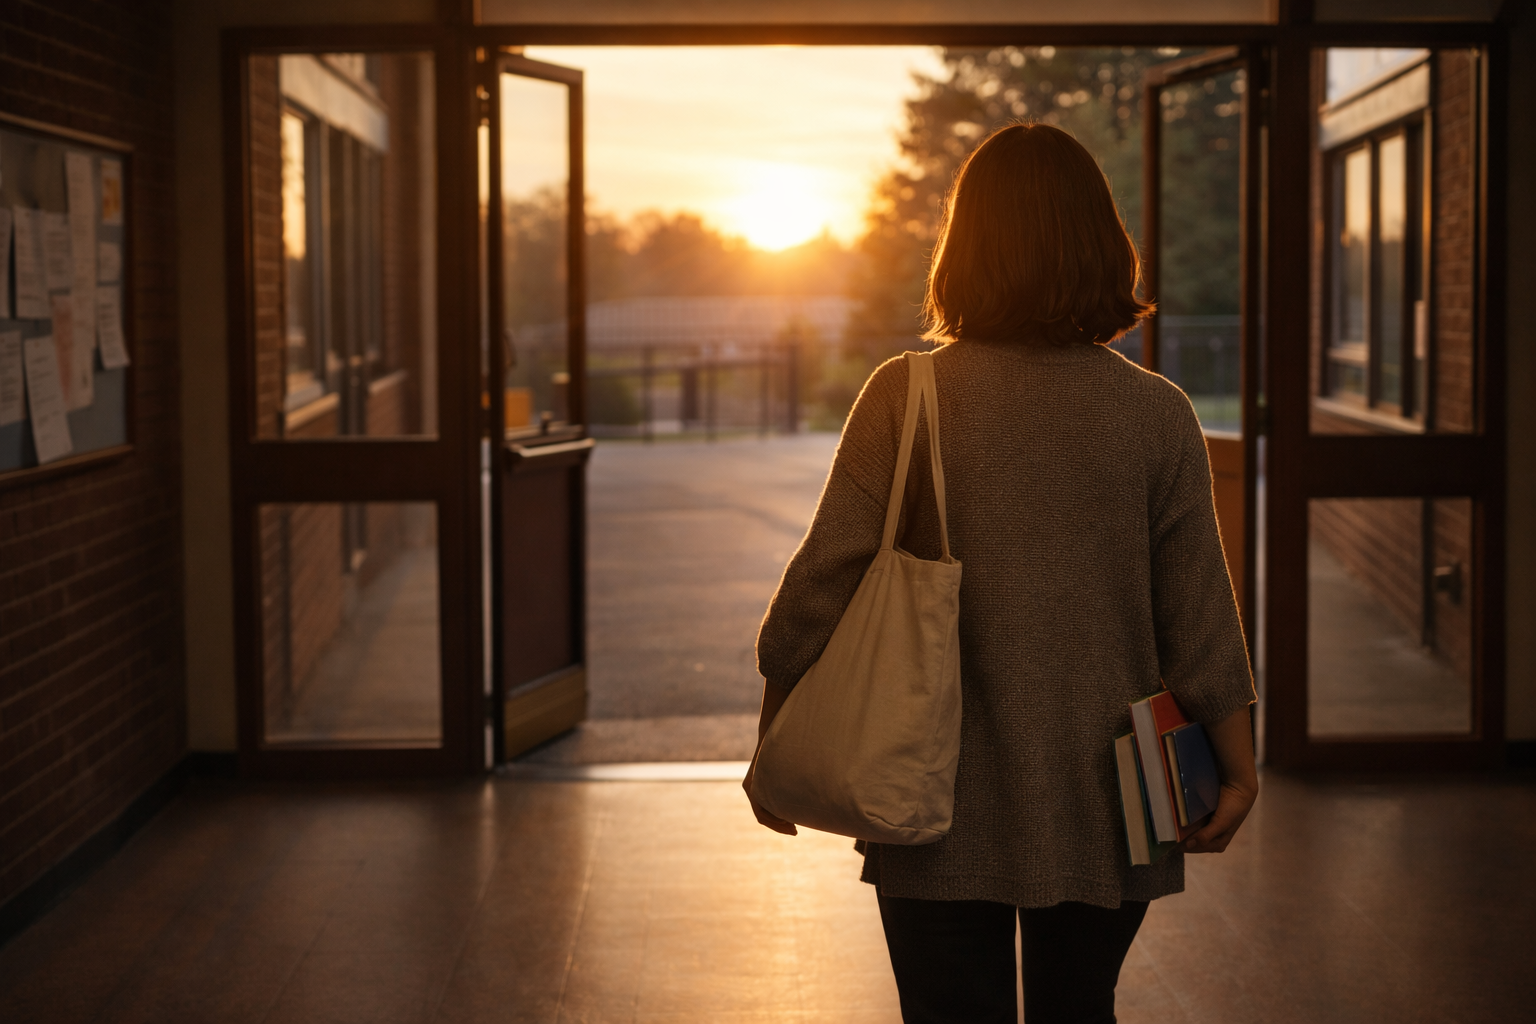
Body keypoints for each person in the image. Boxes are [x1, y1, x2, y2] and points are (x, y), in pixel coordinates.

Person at [743, 122, 1259, 1024]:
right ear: (1104, 244)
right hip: (1111, 795)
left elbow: (816, 592)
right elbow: (1201, 618)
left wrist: (777, 737)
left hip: (926, 787)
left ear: (963, 248)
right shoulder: (1157, 414)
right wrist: (1241, 768)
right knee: (1079, 1008)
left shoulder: (907, 395)